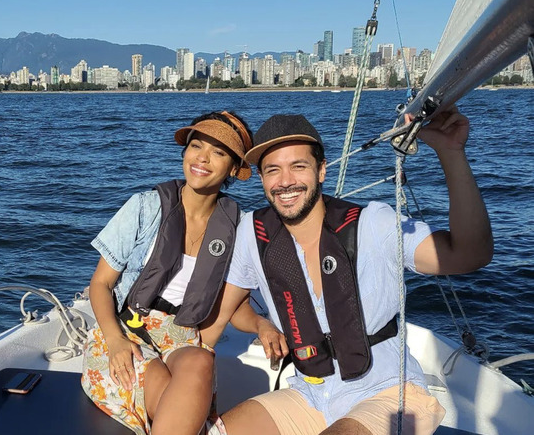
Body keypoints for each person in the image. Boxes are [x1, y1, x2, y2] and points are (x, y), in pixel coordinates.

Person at [213, 107, 493, 435]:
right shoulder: (252, 233)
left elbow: (468, 254)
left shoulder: (372, 224)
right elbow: (221, 313)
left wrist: (451, 152)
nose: (285, 181)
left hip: (390, 394)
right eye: (273, 170)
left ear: (321, 171)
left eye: (298, 166)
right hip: (312, 394)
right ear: (261, 179)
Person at [81, 111, 265, 435]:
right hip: (128, 330)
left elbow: (235, 306)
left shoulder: (238, 228)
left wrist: (263, 325)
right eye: (196, 146)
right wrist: (114, 340)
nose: (202, 159)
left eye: (219, 152)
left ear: (234, 168)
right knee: (171, 394)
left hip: (184, 337)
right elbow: (100, 284)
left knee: (201, 361)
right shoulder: (144, 207)